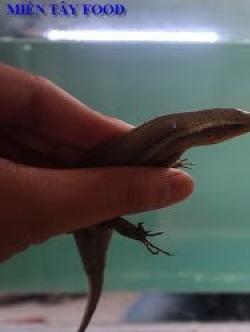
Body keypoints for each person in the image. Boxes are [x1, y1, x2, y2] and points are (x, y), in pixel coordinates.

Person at [0, 62, 194, 263]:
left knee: (103, 224)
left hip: (90, 211)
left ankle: (96, 285)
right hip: (90, 224)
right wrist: (138, 234)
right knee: (104, 223)